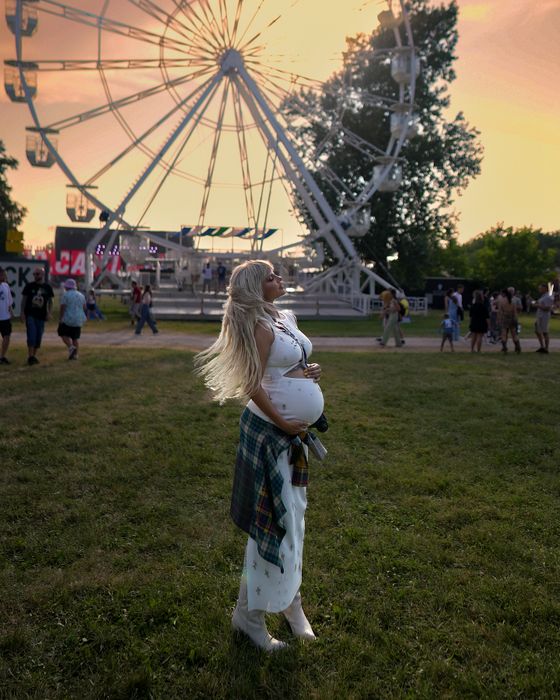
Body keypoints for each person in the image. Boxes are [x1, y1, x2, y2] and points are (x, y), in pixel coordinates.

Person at [195, 260, 323, 651]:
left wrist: (307, 372)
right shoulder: (259, 327)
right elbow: (253, 384)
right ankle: (249, 618)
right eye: (271, 277)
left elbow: (285, 368)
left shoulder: (284, 317)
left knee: (294, 520)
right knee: (273, 523)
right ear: (255, 287)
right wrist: (285, 424)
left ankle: (291, 604)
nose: (279, 279)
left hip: (291, 435)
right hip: (271, 435)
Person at [21, 267, 54, 366]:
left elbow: (51, 302)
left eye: (37, 274)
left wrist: (49, 313)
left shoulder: (47, 287)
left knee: (38, 336)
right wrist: (22, 313)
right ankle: (30, 356)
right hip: (30, 314)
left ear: (42, 275)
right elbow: (24, 300)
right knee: (31, 334)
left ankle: (33, 356)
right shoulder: (29, 286)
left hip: (41, 316)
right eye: (34, 274)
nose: (35, 276)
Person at [58, 279, 87, 360]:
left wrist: (60, 318)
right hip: (78, 319)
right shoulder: (81, 295)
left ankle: (71, 347)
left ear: (67, 287)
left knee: (62, 333)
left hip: (68, 318)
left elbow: (63, 307)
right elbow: (84, 307)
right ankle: (75, 355)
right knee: (75, 338)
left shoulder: (65, 295)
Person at [497, 288, 521, 353]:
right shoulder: (512, 301)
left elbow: (500, 311)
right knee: (514, 333)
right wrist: (516, 319)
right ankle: (517, 346)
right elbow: (515, 312)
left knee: (504, 333)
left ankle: (504, 347)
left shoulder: (502, 301)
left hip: (504, 317)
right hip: (512, 317)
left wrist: (499, 319)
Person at [533, 283, 553, 353]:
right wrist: (534, 302)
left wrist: (537, 305)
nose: (539, 289)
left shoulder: (548, 297)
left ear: (545, 288)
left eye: (540, 288)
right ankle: (542, 346)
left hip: (544, 316)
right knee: (537, 330)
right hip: (539, 316)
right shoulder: (543, 296)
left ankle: (546, 348)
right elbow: (540, 303)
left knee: (545, 332)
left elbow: (547, 308)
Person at [0, 267, 13, 364]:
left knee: (7, 336)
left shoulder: (6, 286)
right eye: (2, 274)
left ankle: (2, 357)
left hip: (5, 317)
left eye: (4, 274)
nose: (4, 276)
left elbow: (9, 301)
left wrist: (11, 312)